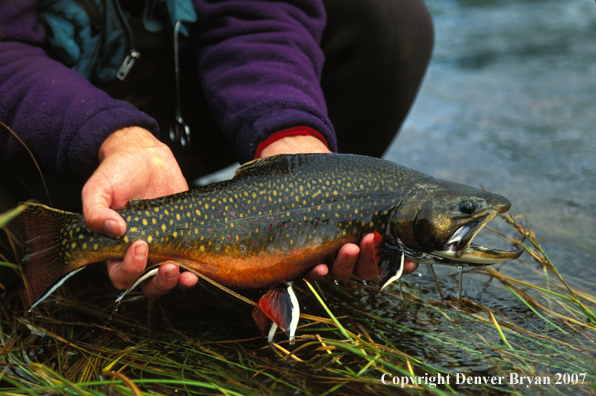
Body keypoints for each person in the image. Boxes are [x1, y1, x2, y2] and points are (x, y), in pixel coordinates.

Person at [0, 0, 433, 298]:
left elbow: (255, 13)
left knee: (389, 20)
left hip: (191, 112)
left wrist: (287, 132)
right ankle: (72, 224)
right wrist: (108, 135)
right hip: (43, 121)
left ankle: (288, 260)